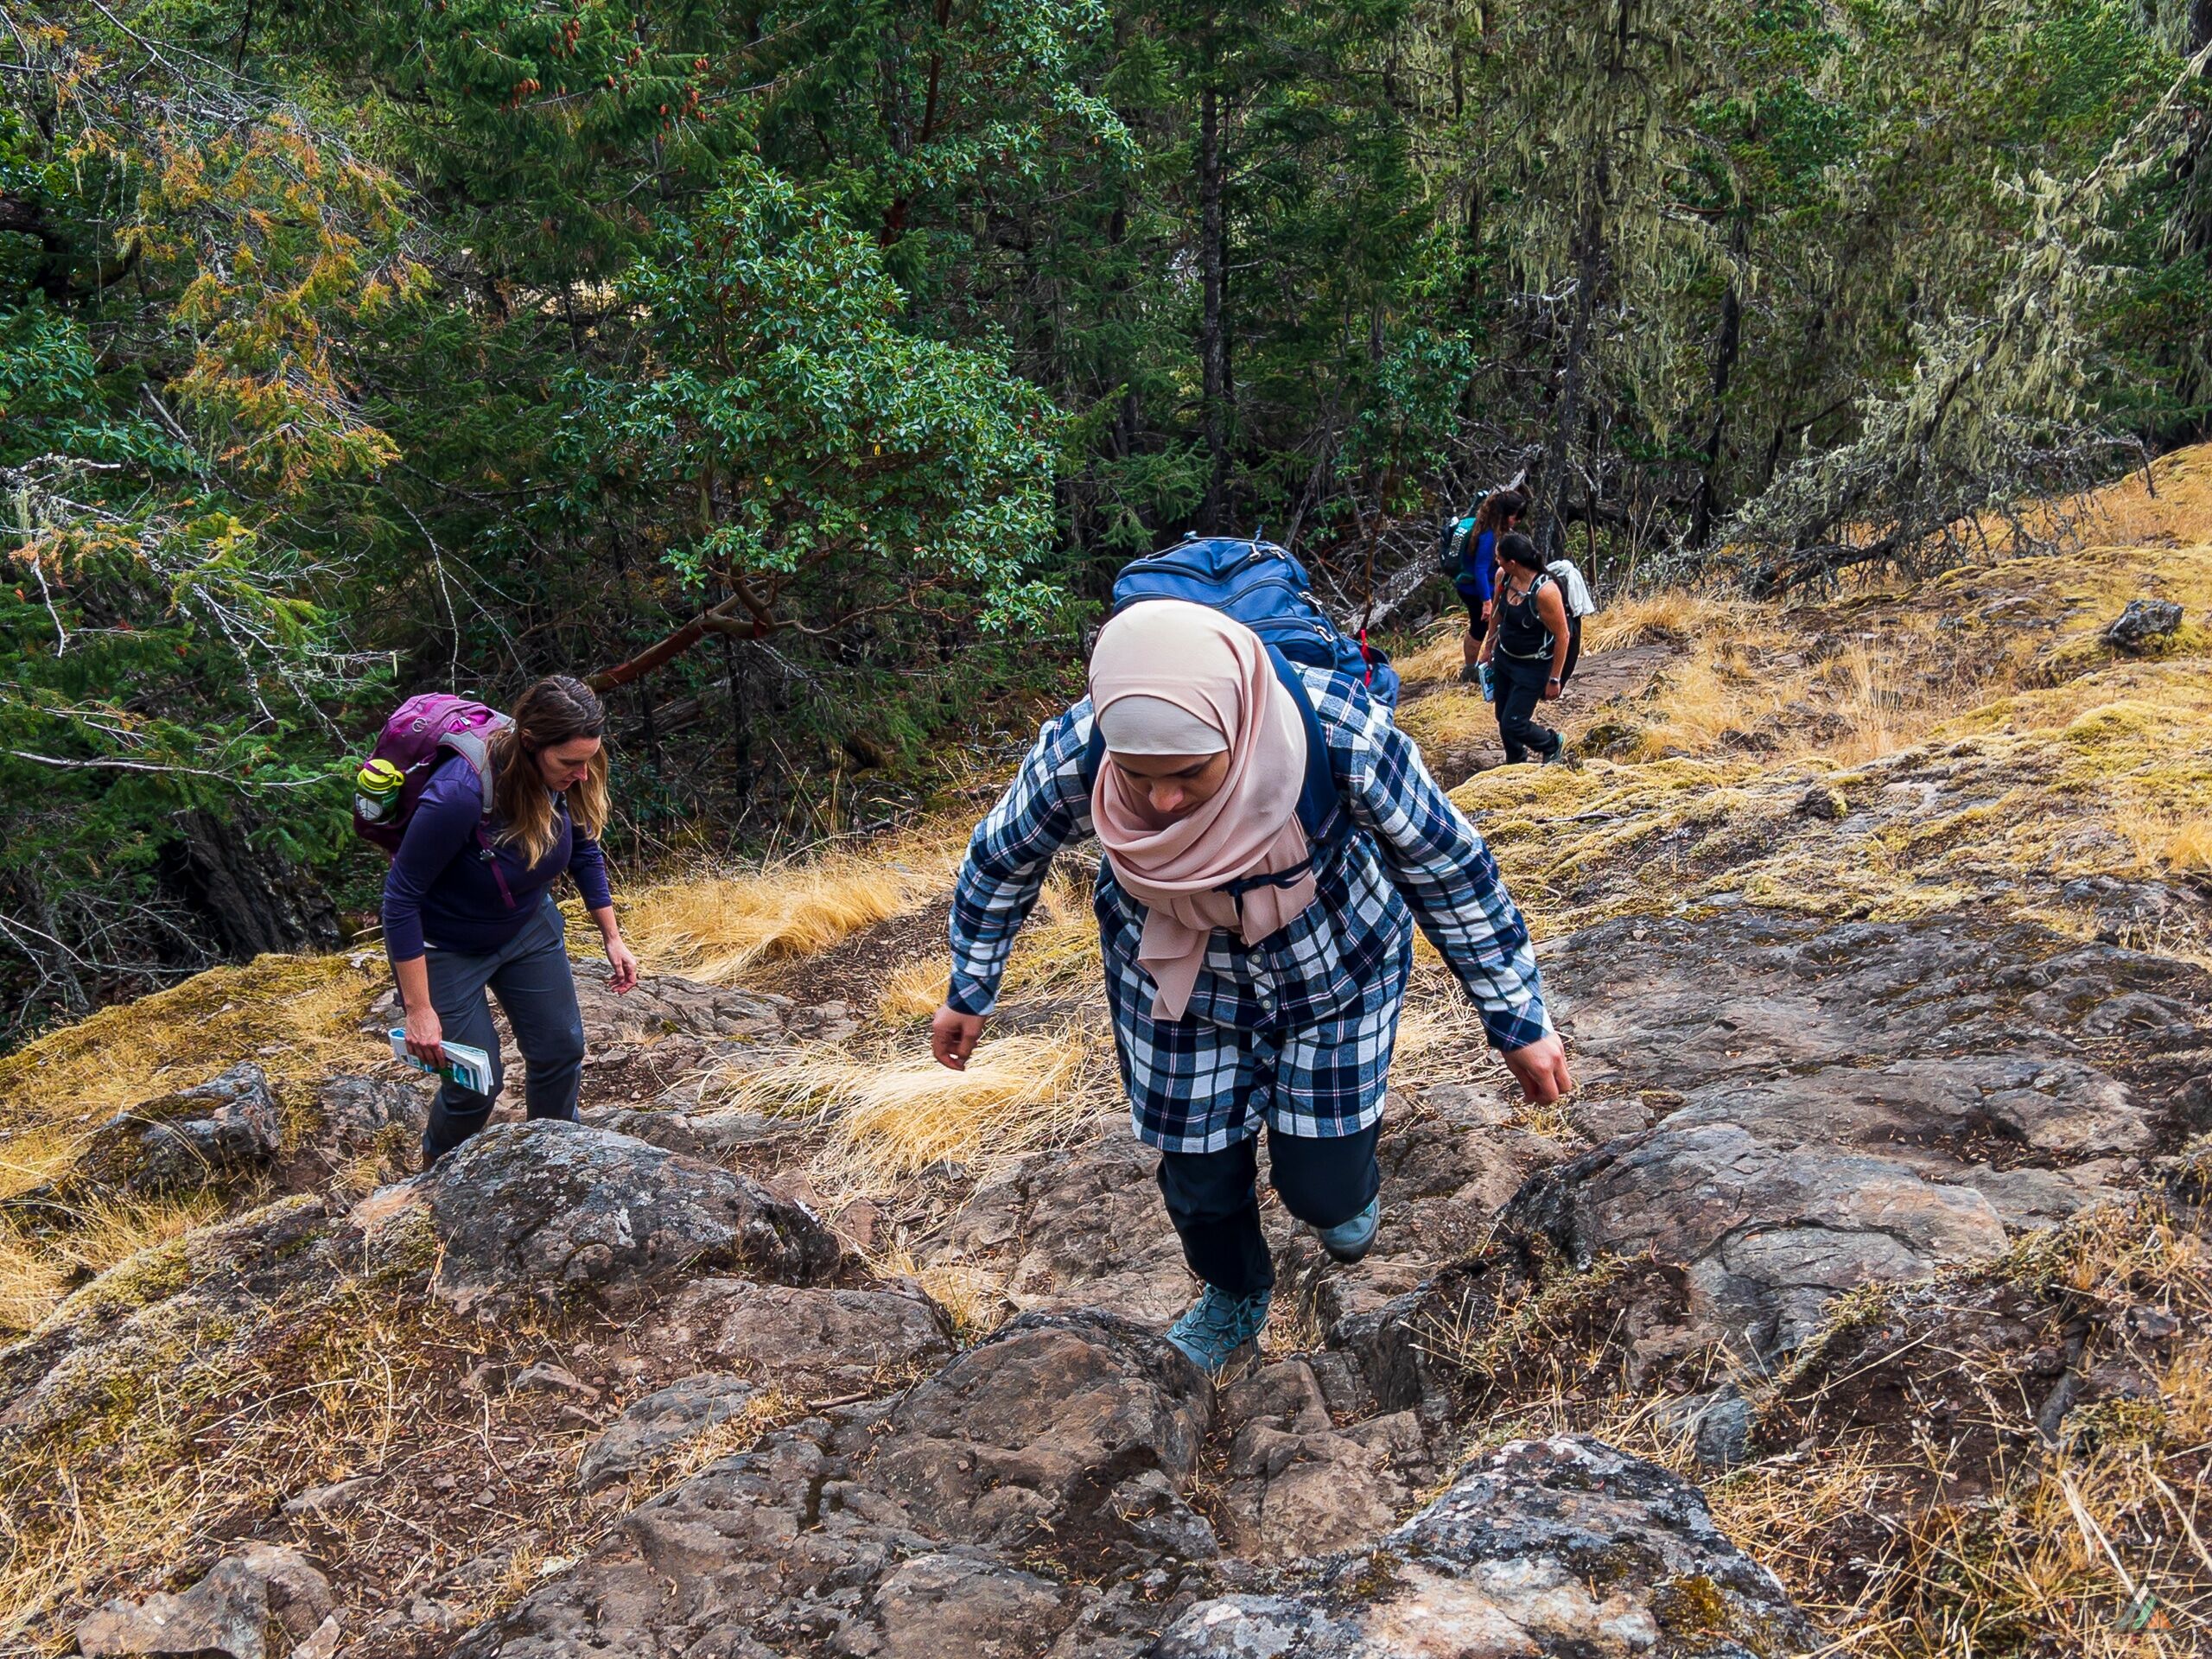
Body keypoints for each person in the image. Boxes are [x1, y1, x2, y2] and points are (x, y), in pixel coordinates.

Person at [931, 600, 1572, 1373]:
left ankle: (1340, 1192)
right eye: (1140, 779)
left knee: (1324, 1193)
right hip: (1175, 990)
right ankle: (1234, 1294)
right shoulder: (1085, 744)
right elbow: (1002, 857)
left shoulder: (1339, 736)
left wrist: (1517, 1018)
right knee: (1200, 1183)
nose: (1163, 802)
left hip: (1336, 975)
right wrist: (971, 986)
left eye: (1190, 773)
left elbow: (1449, 869)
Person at [385, 675, 640, 1166]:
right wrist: (418, 1008)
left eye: (589, 759)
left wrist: (612, 937)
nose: (583, 774)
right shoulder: (460, 794)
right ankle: (438, 1171)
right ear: (530, 743)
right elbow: (400, 900)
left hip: (527, 926)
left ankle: (555, 1156)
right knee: (475, 1088)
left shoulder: (574, 773)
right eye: (570, 763)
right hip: (447, 946)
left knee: (561, 1049)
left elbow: (584, 848)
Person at [1477, 532, 1573, 766]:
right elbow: (1498, 612)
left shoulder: (1545, 592)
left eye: (1499, 558)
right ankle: (1515, 760)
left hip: (1532, 666)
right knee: (1503, 716)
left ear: (1513, 562)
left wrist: (1554, 678)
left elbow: (1563, 636)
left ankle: (1551, 743)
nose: (1496, 562)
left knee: (1515, 722)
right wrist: (1488, 647)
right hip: (1505, 658)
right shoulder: (1504, 577)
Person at [1457, 488, 1528, 680]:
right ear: (1504, 515)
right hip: (1476, 589)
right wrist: (1487, 602)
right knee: (1480, 629)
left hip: (1482, 586)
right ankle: (1472, 670)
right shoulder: (1489, 535)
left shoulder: (1494, 529)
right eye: (1515, 516)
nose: (1517, 520)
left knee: (1489, 627)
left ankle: (1481, 666)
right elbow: (1480, 569)